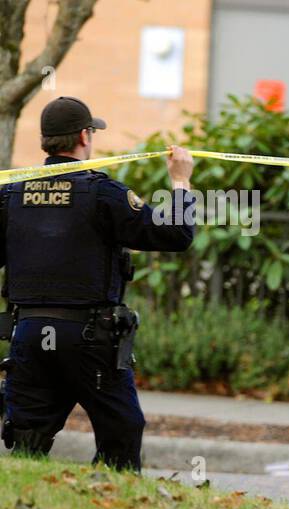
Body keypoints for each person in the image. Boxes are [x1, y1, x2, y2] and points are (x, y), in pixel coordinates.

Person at [0, 96, 195, 471]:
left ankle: (26, 505)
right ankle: (111, 497)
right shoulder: (103, 193)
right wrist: (181, 181)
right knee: (121, 429)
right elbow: (176, 234)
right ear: (85, 136)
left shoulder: (11, 195)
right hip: (89, 339)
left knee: (27, 434)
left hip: (28, 332)